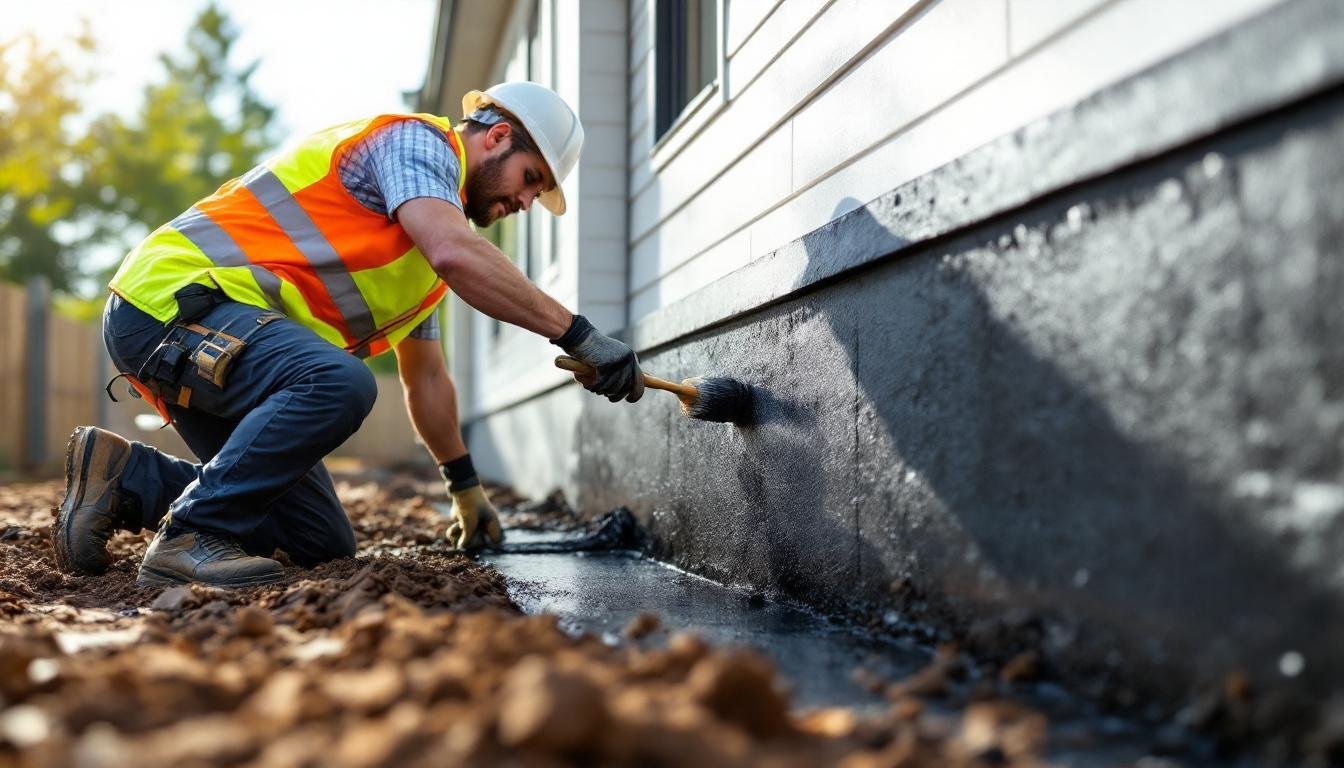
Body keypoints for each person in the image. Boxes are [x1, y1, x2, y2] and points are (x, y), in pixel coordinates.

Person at [53, 81, 644, 588]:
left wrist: (464, 487)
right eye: (531, 178)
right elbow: (457, 255)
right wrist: (578, 334)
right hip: (172, 303)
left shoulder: (421, 250)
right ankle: (193, 536)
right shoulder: (417, 144)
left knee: (319, 541)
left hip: (219, 342)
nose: (525, 200)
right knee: (340, 380)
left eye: (536, 193)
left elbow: (428, 380)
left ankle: (126, 477)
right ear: (495, 136)